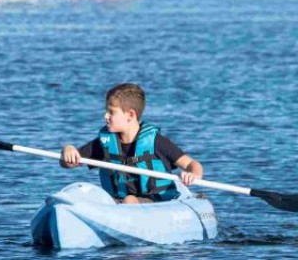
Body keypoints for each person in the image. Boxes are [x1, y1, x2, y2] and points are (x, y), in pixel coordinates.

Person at [59, 83, 203, 204]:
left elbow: (192, 165)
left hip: (155, 203)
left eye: (111, 112)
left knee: (129, 200)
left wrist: (193, 174)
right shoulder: (104, 143)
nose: (105, 116)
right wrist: (68, 150)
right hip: (118, 204)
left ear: (130, 115)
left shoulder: (157, 142)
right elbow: (69, 163)